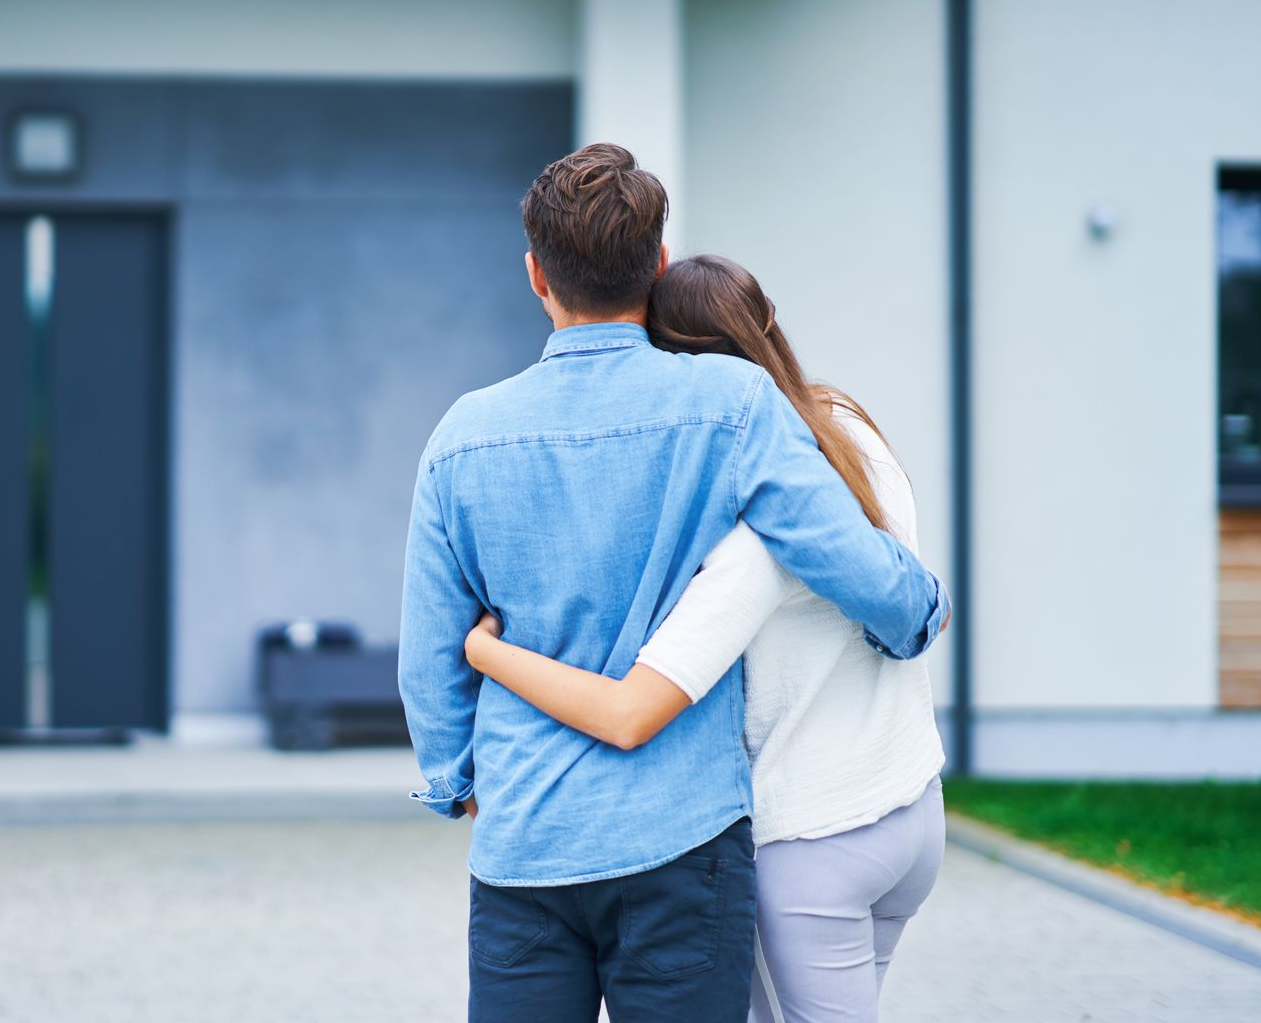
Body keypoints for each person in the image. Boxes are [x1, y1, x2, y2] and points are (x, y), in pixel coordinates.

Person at [397, 144, 951, 1023]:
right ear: (657, 265)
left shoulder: (463, 435)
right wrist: (920, 612)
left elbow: (431, 651)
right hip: (683, 841)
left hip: (527, 841)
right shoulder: (735, 405)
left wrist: (456, 778)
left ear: (536, 274)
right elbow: (852, 562)